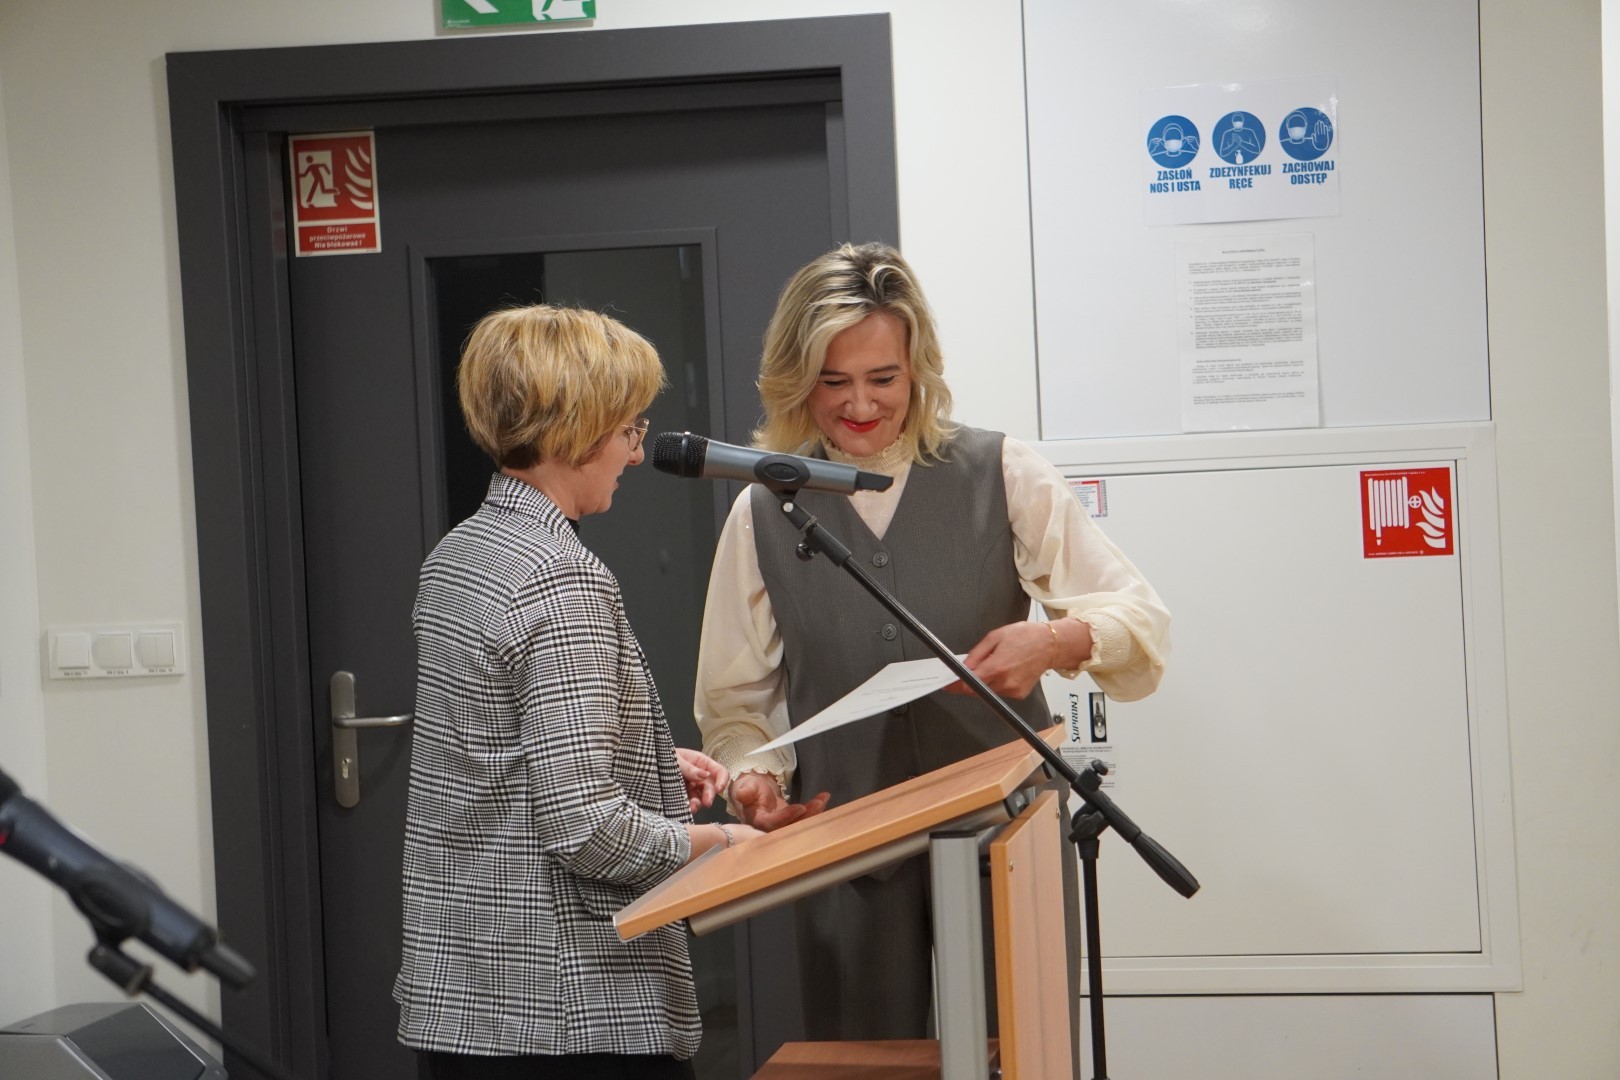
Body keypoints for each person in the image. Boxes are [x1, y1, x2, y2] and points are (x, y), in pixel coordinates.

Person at [694, 242, 1171, 1040]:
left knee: (1019, 1048)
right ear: (796, 378)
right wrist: (753, 775)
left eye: (883, 378)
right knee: (866, 1058)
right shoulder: (762, 510)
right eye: (833, 381)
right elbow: (736, 705)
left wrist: (1052, 643)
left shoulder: (1004, 471)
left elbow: (1140, 619)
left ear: (918, 370)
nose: (860, 405)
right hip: (847, 848)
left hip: (1007, 835)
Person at [395, 304, 760, 1079]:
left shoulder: (460, 555)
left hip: (468, 997)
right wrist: (722, 846)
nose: (636, 453)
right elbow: (586, 830)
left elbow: (494, 756)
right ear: (578, 428)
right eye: (629, 429)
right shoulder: (560, 579)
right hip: (567, 1011)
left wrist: (647, 760)